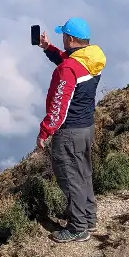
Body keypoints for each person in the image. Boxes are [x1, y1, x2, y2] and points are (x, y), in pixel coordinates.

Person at [36, 17, 106, 243]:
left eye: (64, 36)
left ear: (71, 39)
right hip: (86, 128)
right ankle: (89, 217)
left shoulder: (68, 69)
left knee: (69, 177)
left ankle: (78, 227)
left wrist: (45, 131)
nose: (63, 39)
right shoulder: (92, 59)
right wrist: (48, 48)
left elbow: (59, 106)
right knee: (83, 173)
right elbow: (69, 62)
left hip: (69, 132)